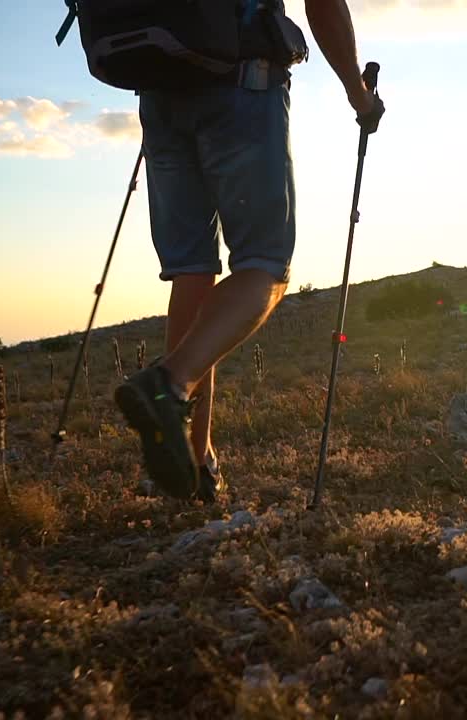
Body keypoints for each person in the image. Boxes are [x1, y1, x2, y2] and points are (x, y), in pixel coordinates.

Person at [113, 0, 384, 502]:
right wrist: (359, 95)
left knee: (192, 272)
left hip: (159, 86)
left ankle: (196, 465)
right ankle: (168, 385)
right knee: (266, 266)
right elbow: (323, 7)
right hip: (241, 79)